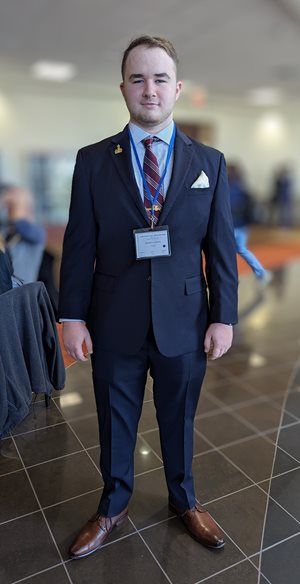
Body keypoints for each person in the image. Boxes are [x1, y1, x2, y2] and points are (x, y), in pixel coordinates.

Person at [58, 35, 238, 559]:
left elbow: (221, 246)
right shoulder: (93, 161)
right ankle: (112, 505)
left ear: (177, 88)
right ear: (123, 88)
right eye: (138, 78)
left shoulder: (210, 161)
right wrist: (72, 316)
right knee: (115, 420)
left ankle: (185, 500)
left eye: (160, 78)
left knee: (179, 418)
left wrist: (224, 316)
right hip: (113, 319)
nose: (149, 89)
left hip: (185, 319)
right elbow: (78, 243)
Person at [227, 162, 272, 287]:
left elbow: (230, 207)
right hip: (242, 225)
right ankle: (261, 273)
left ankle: (230, 278)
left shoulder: (230, 187)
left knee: (227, 252)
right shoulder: (242, 187)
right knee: (241, 249)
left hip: (233, 225)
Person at [0, 184, 45, 283]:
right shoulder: (5, 228)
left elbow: (21, 224)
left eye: (12, 205)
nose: (8, 208)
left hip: (20, 294)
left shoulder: (36, 231)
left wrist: (17, 200)